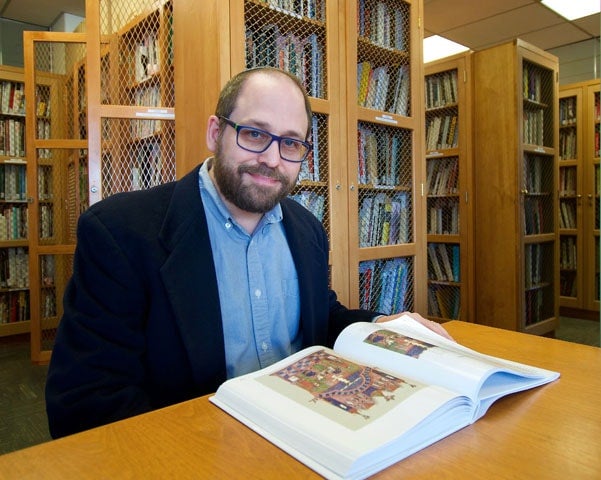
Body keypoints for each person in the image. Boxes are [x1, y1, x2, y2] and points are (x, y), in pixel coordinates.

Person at [45, 66, 451, 439]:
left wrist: (381, 324)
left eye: (291, 143)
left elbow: (319, 317)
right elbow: (86, 401)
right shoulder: (119, 232)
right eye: (255, 134)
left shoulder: (307, 230)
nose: (272, 159)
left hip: (307, 439)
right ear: (214, 132)